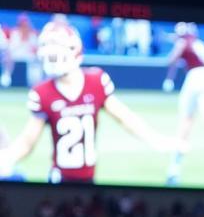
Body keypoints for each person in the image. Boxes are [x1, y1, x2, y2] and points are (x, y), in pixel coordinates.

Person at [0, 20, 178, 183]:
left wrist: (156, 139)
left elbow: (125, 117)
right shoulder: (42, 92)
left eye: (56, 52)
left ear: (75, 51)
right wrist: (6, 159)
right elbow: (27, 141)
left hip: (88, 179)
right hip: (58, 179)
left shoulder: (95, 81)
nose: (52, 58)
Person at [162, 22, 204, 187]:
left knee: (186, 121)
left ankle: (174, 168)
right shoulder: (199, 43)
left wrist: (169, 79)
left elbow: (171, 60)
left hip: (196, 77)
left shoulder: (183, 42)